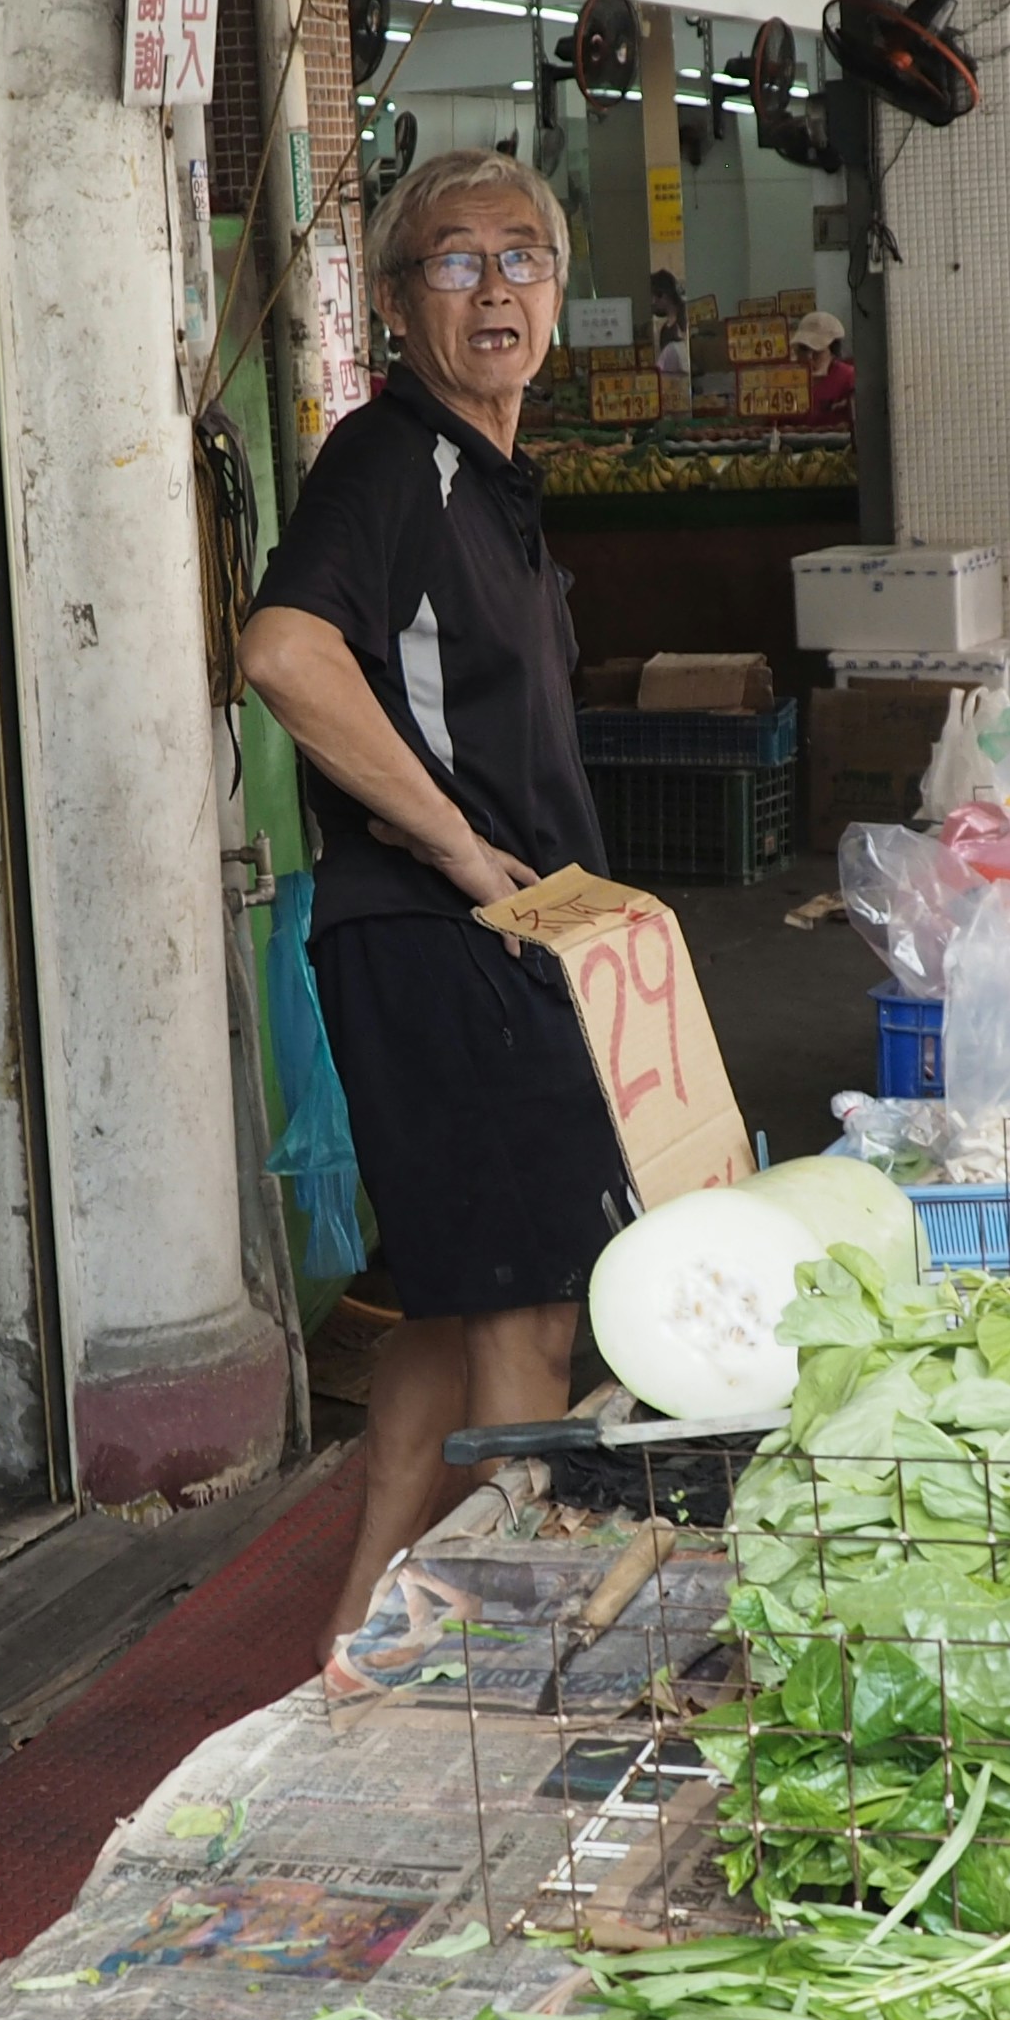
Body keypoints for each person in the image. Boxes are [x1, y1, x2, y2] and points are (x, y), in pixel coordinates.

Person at [238, 150, 638, 1633]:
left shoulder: (495, 481)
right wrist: (464, 853)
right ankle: (499, 1659)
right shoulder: (393, 457)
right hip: (447, 942)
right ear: (398, 304)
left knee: (462, 1297)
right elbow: (283, 654)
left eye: (523, 256)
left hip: (500, 944)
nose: (495, 287)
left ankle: (358, 1629)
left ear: (559, 292)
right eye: (456, 261)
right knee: (534, 1304)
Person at [793, 307, 858, 436]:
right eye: (804, 349)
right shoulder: (786, 380)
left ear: (832, 349)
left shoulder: (848, 378)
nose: (809, 357)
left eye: (817, 351)